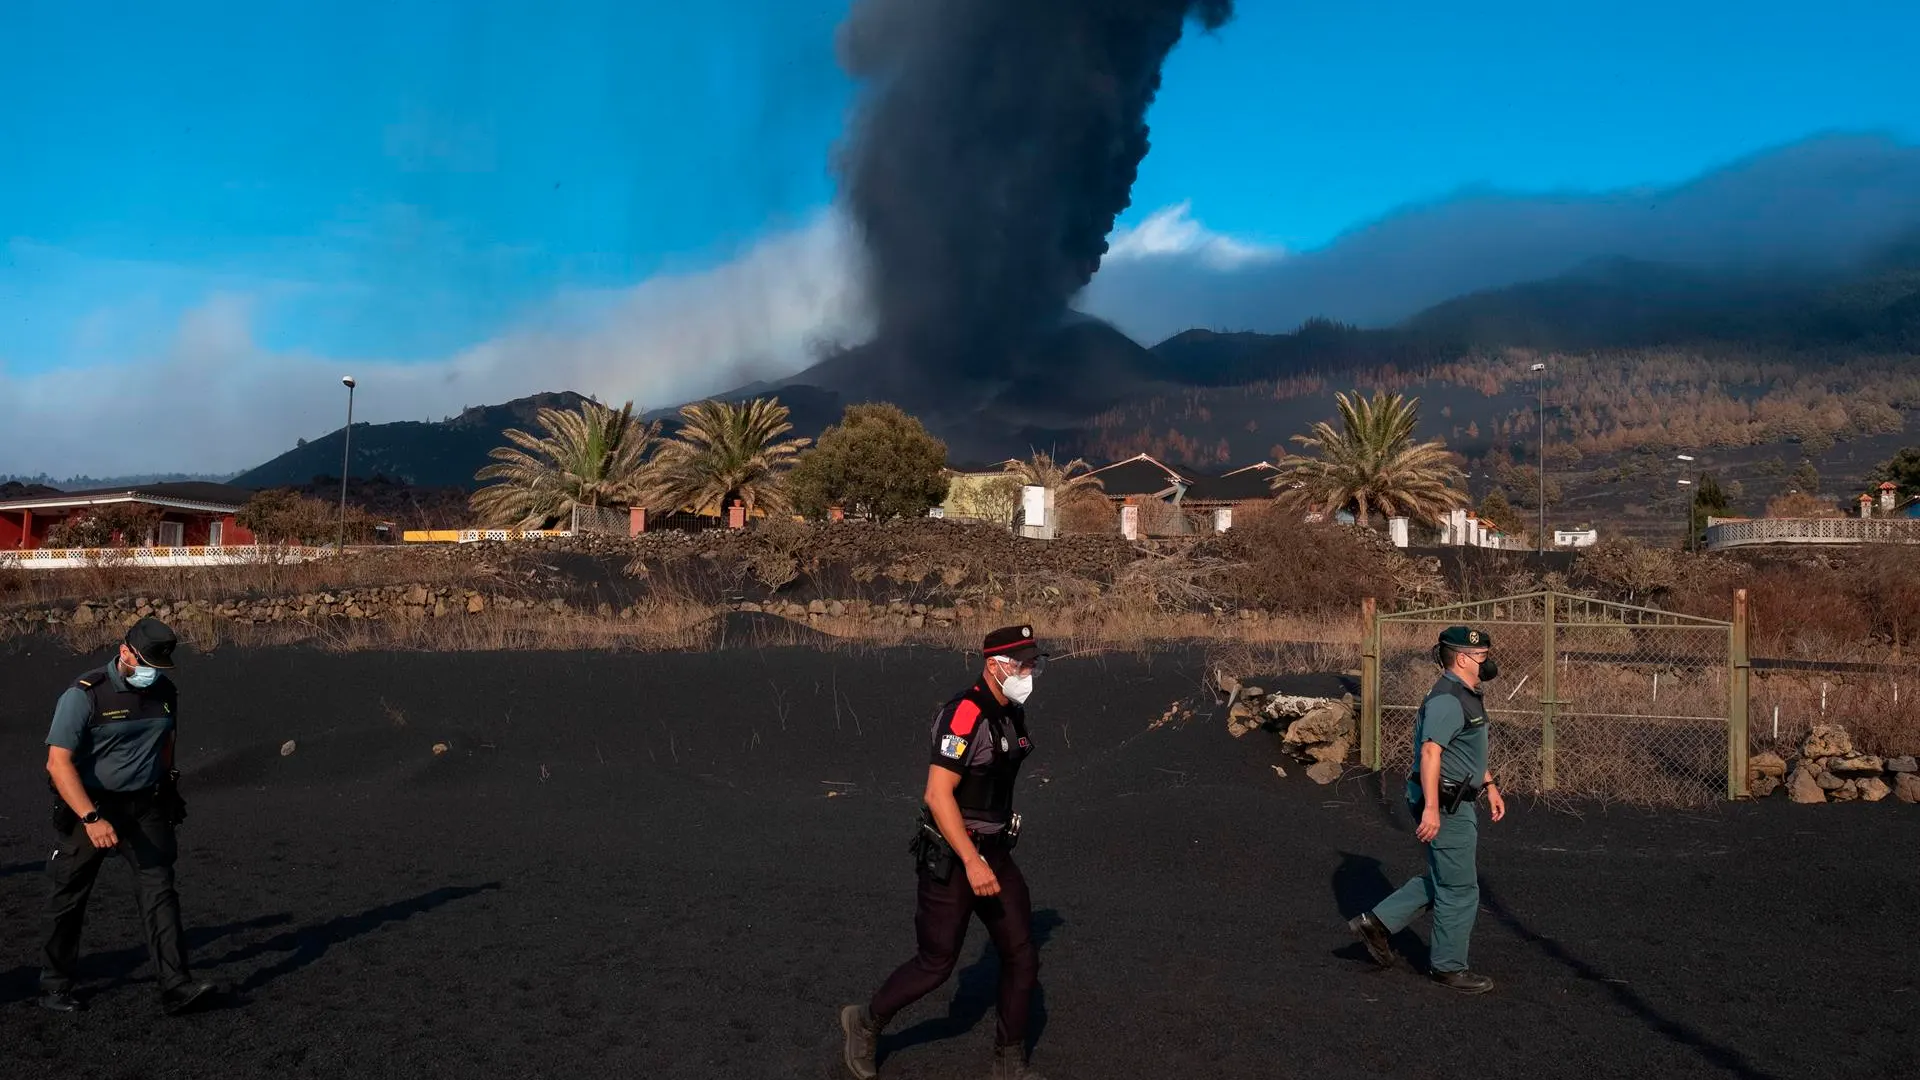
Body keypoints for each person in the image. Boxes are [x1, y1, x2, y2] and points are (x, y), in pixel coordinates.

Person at [840, 625, 1050, 1080]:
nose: (1032, 670)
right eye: (1025, 662)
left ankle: (1009, 1064)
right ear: (997, 666)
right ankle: (866, 1020)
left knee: (1022, 954)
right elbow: (938, 795)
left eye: (1035, 661)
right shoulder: (964, 715)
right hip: (955, 858)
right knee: (936, 963)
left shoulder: (1011, 712)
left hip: (994, 852)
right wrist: (972, 861)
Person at [39, 616, 217, 1015]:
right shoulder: (85, 695)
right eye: (147, 665)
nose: (152, 674)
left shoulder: (165, 692)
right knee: (68, 896)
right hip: (92, 807)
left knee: (160, 892)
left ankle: (176, 985)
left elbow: (165, 742)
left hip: (145, 806)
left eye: (160, 667)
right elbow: (58, 764)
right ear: (125, 653)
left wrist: (168, 787)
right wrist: (90, 818)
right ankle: (54, 986)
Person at [1349, 624, 1508, 994]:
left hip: (1455, 798)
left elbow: (1464, 750)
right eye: (1482, 657)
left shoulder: (1465, 695)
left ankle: (1376, 924)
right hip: (1447, 803)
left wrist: (1489, 785)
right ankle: (1448, 967)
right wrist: (1433, 809)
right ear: (1464, 658)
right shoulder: (1447, 700)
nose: (1487, 662)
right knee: (1460, 888)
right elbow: (1430, 753)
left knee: (1445, 876)